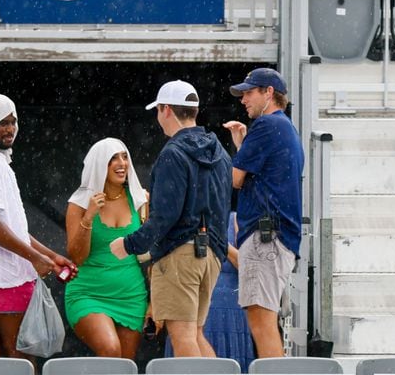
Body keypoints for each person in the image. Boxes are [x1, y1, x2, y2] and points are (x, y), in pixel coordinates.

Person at [110, 80, 232, 357]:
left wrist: (129, 244)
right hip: (211, 253)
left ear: (166, 110)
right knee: (196, 333)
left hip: (179, 255)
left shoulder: (172, 154)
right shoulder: (221, 154)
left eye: (157, 111)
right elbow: (222, 207)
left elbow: (165, 216)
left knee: (183, 337)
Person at [0, 93, 77, 359]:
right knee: (20, 353)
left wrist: (50, 257)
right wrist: (35, 258)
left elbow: (10, 226)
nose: (10, 130)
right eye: (2, 123)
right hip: (3, 275)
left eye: (13, 122)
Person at [223, 68, 304, 358]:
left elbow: (235, 178)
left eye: (249, 92)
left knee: (261, 324)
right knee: (265, 323)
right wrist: (243, 146)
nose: (243, 99)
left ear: (269, 93)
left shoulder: (268, 125)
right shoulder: (283, 126)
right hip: (276, 238)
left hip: (265, 239)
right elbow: (257, 175)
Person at [64, 138, 149, 359]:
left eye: (124, 157)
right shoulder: (79, 203)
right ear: (99, 164)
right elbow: (77, 257)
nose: (121, 163)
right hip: (88, 293)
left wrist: (154, 302)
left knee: (125, 364)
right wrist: (89, 217)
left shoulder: (140, 199)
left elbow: (151, 255)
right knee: (111, 351)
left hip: (131, 295)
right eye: (113, 158)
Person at [164, 211, 255, 371]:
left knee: (226, 364)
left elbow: (248, 267)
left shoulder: (236, 218)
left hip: (227, 310)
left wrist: (220, 243)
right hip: (188, 303)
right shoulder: (182, 218)